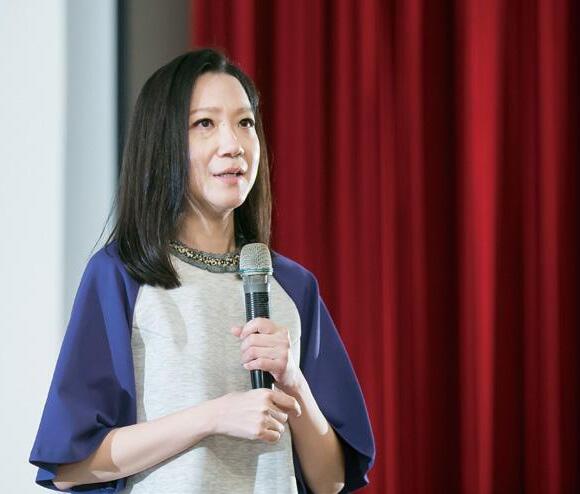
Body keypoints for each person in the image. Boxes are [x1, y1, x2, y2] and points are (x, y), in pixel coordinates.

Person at [29, 48, 375, 493]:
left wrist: (294, 380)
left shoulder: (293, 285)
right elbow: (70, 467)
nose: (233, 144)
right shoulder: (121, 274)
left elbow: (330, 482)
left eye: (245, 122)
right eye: (205, 124)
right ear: (163, 143)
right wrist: (213, 416)